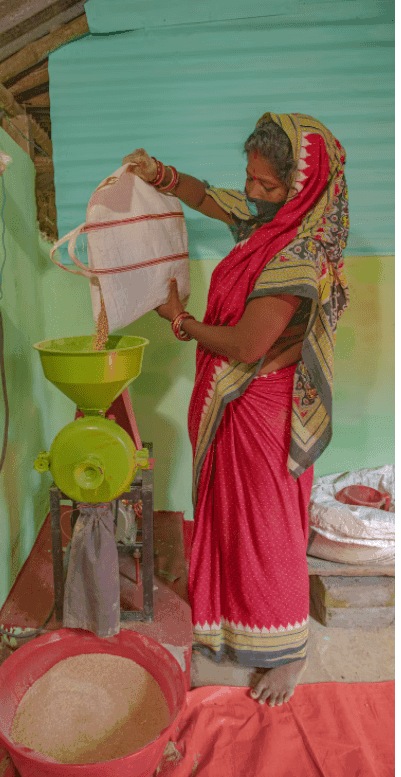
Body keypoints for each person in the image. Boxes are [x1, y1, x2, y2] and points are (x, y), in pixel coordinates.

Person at [123, 112, 349, 707]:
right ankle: (228, 628)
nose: (252, 193)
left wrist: (181, 320)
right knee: (226, 519)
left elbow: (249, 345)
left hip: (262, 412)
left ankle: (289, 653)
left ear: (300, 189)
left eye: (267, 186)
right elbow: (207, 196)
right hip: (234, 403)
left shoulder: (298, 252)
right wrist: (160, 175)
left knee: (265, 532)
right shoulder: (266, 222)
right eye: (250, 178)